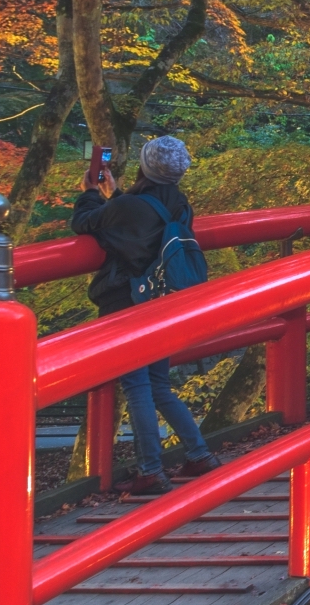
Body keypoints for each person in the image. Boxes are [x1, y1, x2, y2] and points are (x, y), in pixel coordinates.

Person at [71, 134, 220, 495]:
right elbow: (141, 224)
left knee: (137, 385)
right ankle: (199, 454)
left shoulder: (131, 206)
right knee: (157, 383)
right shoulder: (179, 205)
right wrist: (117, 195)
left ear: (146, 166)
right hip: (164, 300)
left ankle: (151, 470)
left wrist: (92, 191)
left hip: (128, 301)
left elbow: (84, 223)